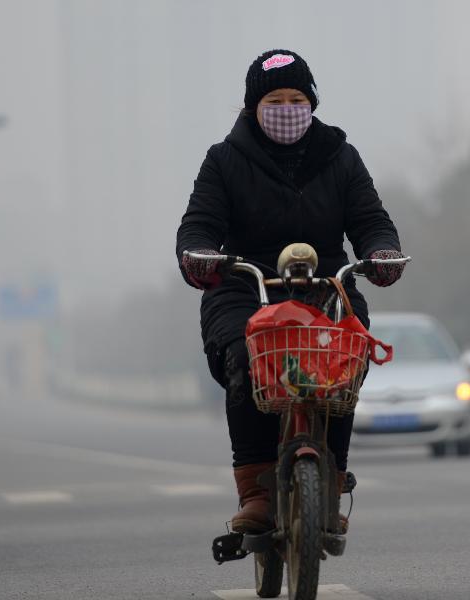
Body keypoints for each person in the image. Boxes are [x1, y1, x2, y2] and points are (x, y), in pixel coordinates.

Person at [176, 49, 404, 534]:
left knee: (347, 354)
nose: (286, 108)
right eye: (273, 100)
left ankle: (334, 476)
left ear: (312, 102)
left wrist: (382, 253)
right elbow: (199, 225)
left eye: (296, 98)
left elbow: (371, 222)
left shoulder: (341, 156)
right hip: (245, 287)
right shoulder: (224, 160)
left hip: (325, 287)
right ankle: (255, 490)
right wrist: (197, 256)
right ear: (252, 107)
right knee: (245, 355)